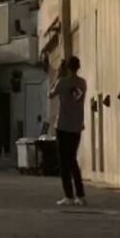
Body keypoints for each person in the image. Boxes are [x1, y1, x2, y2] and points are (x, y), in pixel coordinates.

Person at [49, 56, 87, 207]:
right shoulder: (82, 83)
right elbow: (76, 97)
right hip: (76, 126)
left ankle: (68, 196)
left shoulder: (62, 82)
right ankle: (81, 195)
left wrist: (58, 75)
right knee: (72, 160)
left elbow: (50, 94)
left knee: (64, 162)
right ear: (78, 67)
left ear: (66, 67)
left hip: (63, 126)